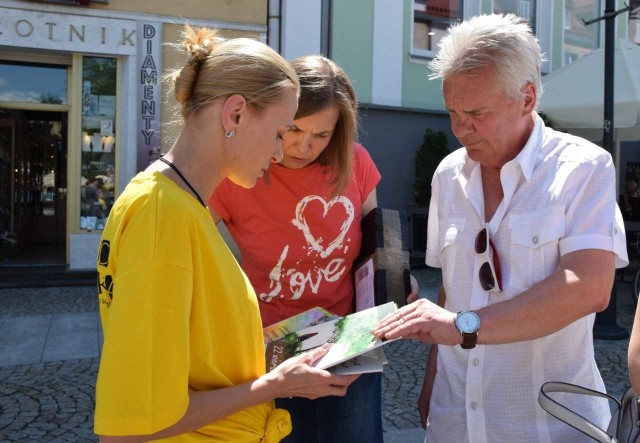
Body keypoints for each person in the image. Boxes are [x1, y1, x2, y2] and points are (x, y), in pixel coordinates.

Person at [94, 27, 359, 443]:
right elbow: (134, 424)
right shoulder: (163, 215)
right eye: (279, 132)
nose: (278, 153)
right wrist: (277, 384)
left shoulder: (180, 204)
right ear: (234, 114)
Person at [373, 13, 628, 443]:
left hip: (550, 425)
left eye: (476, 112)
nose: (459, 128)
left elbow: (587, 287)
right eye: (452, 111)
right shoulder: (447, 175)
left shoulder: (583, 167)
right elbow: (451, 293)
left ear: (527, 98)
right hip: (455, 422)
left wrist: (462, 325)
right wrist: (432, 381)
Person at [210, 55, 417, 443]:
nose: (303, 146)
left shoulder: (355, 163)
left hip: (348, 343)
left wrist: (397, 283)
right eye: (293, 129)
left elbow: (377, 247)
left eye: (321, 136)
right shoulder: (240, 172)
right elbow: (196, 249)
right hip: (271, 351)